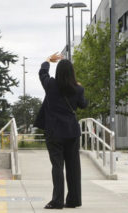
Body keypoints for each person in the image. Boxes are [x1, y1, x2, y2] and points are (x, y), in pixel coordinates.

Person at [35, 52, 88, 209]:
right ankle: (74, 200)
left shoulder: (51, 85)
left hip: (54, 132)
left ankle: (57, 201)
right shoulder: (78, 89)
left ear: (58, 72)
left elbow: (42, 73)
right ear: (72, 73)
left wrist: (47, 61)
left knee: (57, 166)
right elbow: (83, 105)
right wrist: (79, 89)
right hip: (72, 132)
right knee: (73, 167)